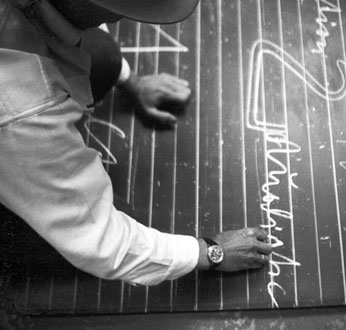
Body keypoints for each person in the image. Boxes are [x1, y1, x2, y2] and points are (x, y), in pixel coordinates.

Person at [0, 0, 273, 287]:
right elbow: (104, 241)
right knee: (117, 220)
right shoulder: (24, 106)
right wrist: (209, 252)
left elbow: (61, 23)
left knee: (103, 54)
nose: (122, 17)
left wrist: (132, 83)